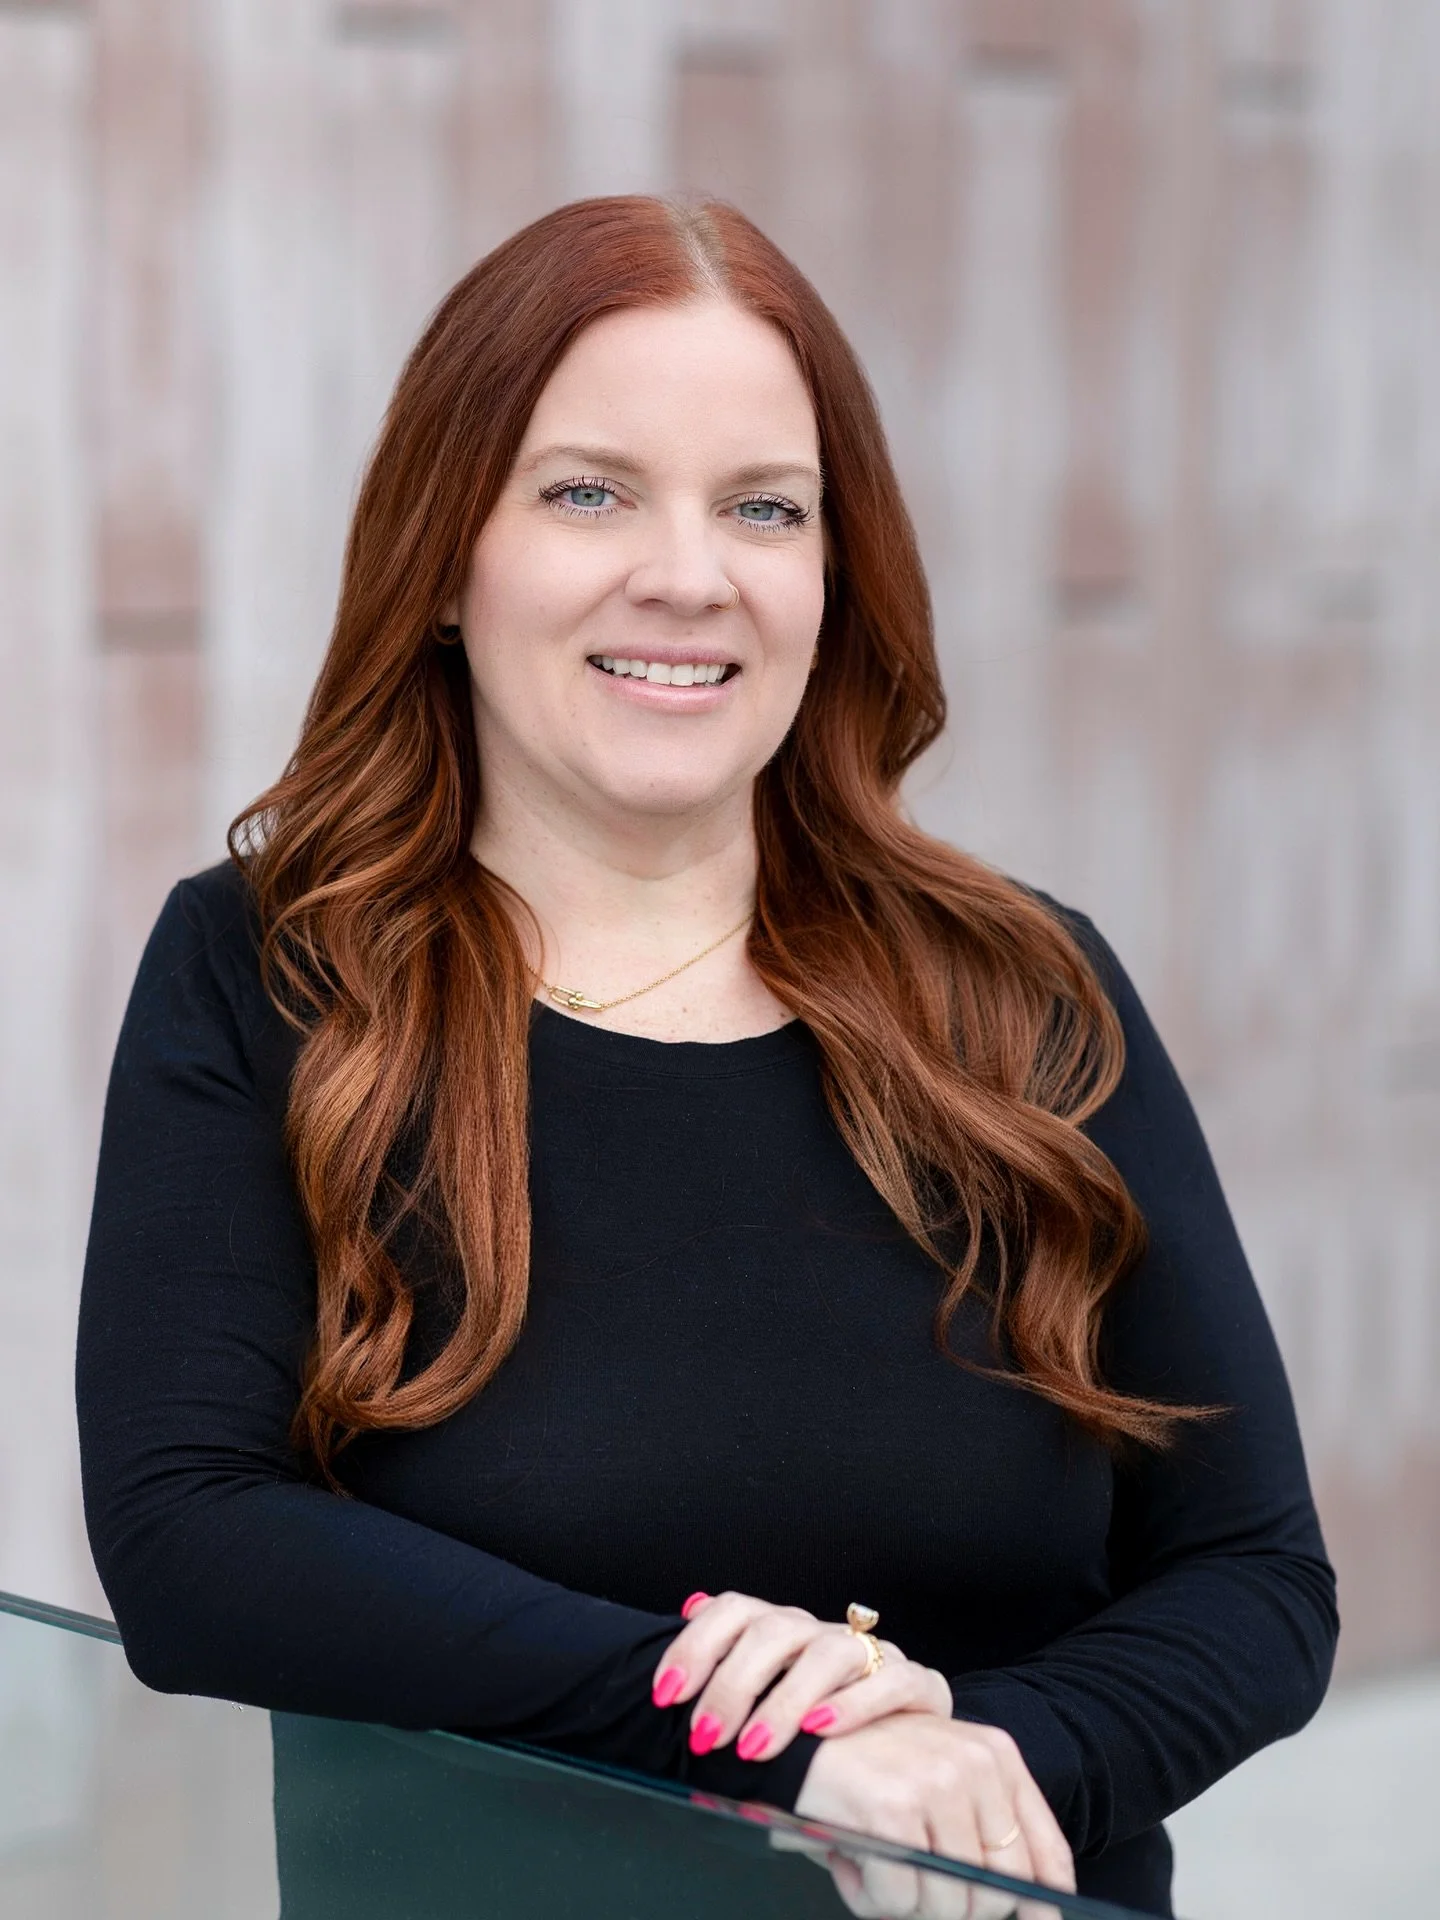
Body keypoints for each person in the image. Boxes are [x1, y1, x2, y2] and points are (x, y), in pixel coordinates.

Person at [75, 196, 1337, 1918]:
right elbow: (188, 1542)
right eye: (588, 490)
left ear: (833, 573)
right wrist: (777, 1743)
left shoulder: (1018, 991)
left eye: (765, 506)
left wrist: (973, 1766)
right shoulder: (273, 974)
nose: (690, 572)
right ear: (447, 555)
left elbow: (1255, 1575)